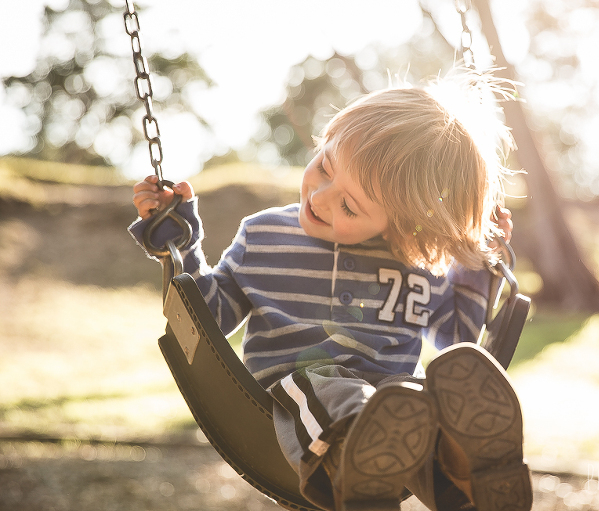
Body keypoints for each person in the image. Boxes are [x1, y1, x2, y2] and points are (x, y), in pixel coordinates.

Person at [130, 70, 533, 511]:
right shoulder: (264, 236)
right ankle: (359, 458)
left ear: (399, 221)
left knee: (414, 396)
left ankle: (463, 476)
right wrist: (180, 243)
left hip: (393, 400)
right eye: (325, 166)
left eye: (349, 206)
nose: (320, 197)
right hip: (292, 401)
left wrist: (476, 263)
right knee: (330, 389)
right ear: (326, 140)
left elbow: (458, 340)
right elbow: (210, 315)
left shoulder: (417, 261)